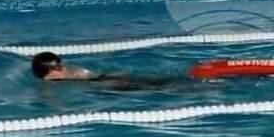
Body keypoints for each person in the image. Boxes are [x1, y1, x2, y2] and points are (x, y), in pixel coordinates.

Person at [31, 51, 171, 90]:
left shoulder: (63, 78)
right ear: (49, 72)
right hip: (109, 85)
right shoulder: (51, 83)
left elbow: (93, 77)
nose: (64, 68)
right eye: (60, 67)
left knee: (159, 85)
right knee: (160, 86)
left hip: (108, 83)